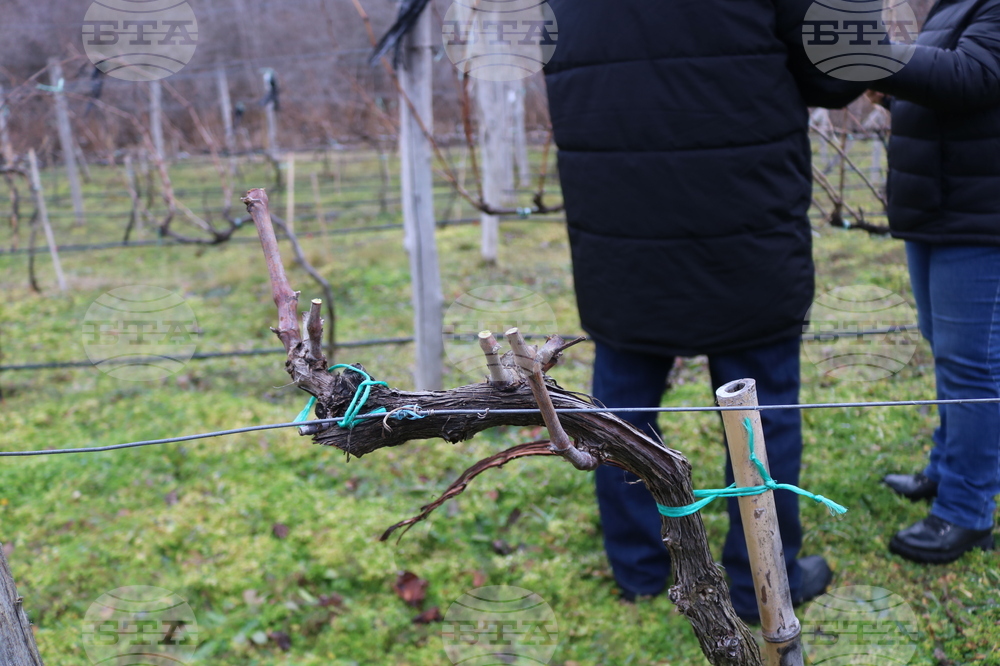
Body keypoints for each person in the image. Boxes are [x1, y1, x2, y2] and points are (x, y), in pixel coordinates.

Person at [542, 1, 860, 620]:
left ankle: (638, 568)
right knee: (758, 403)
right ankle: (759, 579)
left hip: (618, 216)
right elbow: (837, 70)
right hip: (742, 211)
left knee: (623, 403)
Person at [874, 0, 1000, 564]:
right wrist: (893, 87)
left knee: (973, 366)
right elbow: (946, 85)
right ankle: (947, 471)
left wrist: (875, 58)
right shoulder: (955, 4)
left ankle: (966, 510)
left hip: (981, 213)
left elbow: (974, 76)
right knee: (948, 353)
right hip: (938, 207)